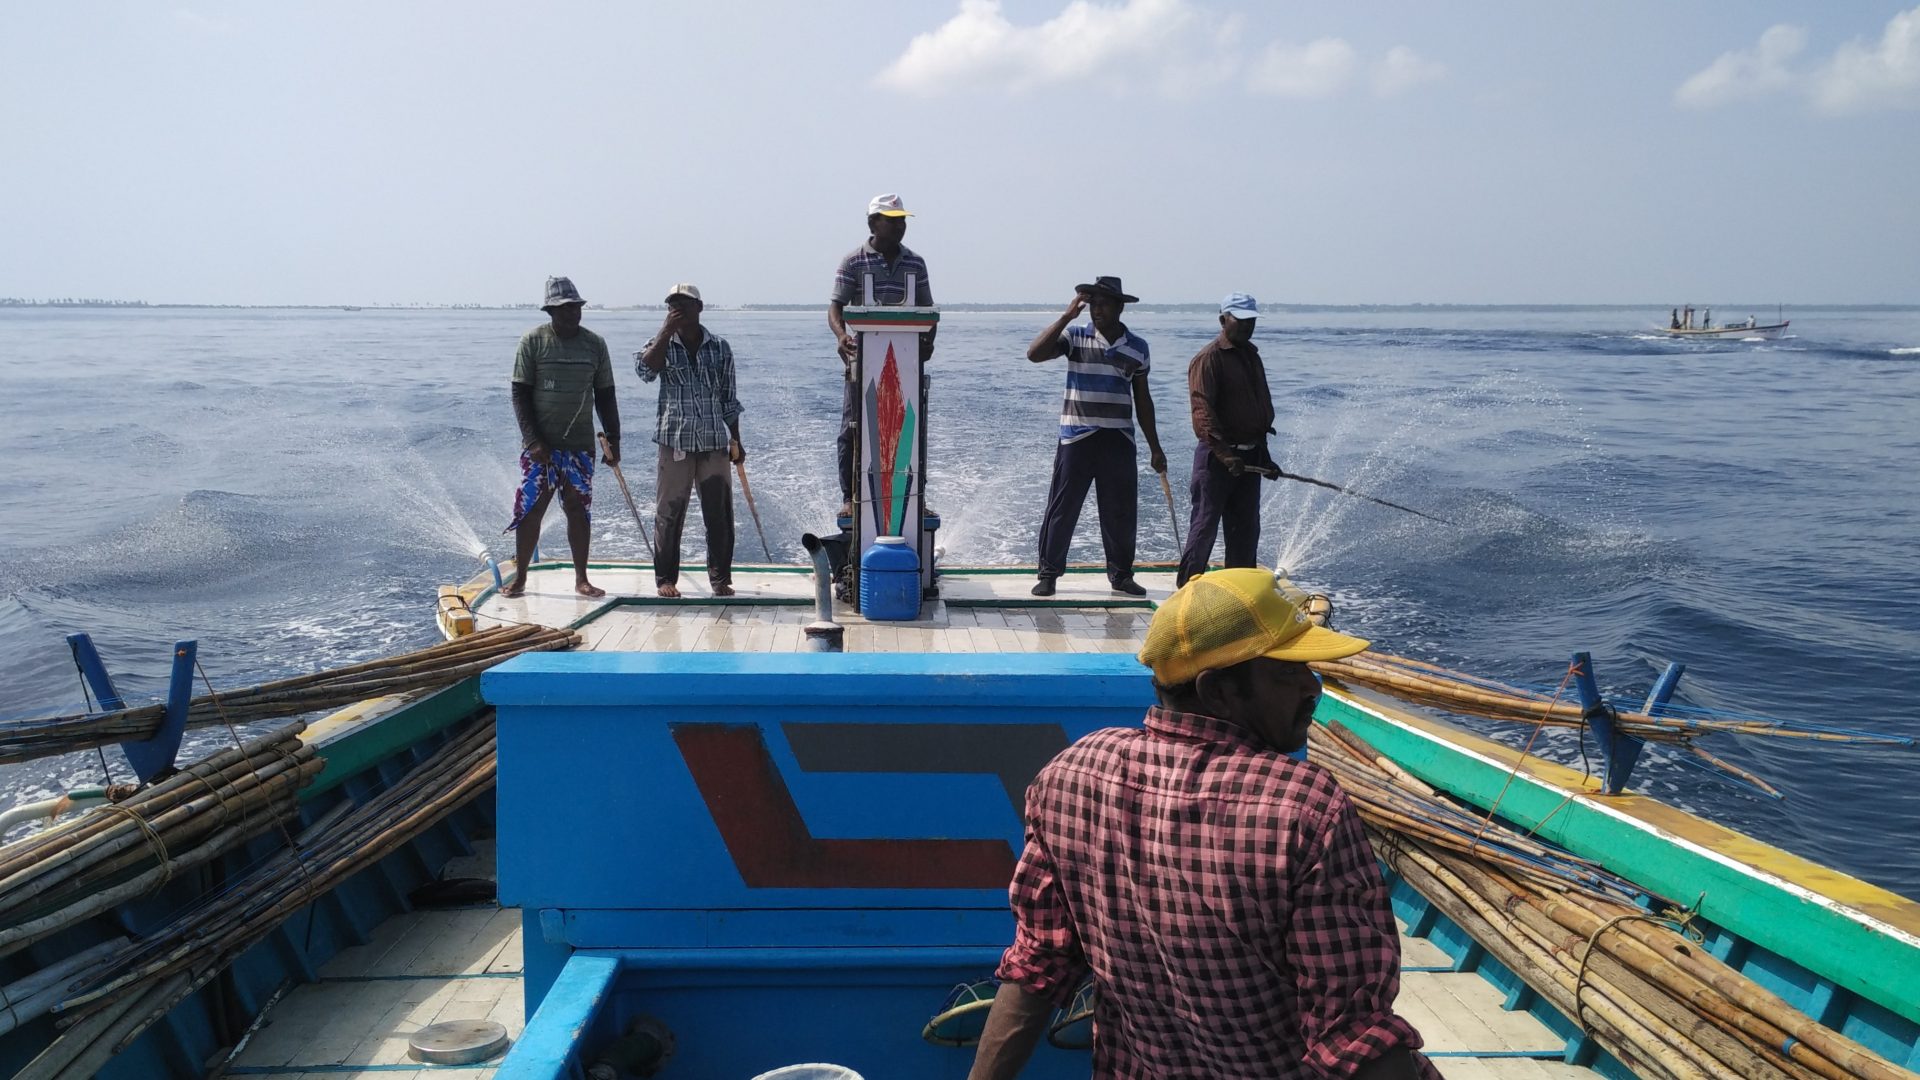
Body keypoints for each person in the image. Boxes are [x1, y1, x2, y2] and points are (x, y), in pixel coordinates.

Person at [968, 568, 1438, 1080]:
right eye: (1287, 672)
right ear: (1217, 691)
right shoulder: (1303, 806)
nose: (1312, 687)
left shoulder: (1072, 773)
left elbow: (1039, 963)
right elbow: (1353, 1034)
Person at [1024, 276, 1167, 597]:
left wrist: (1155, 448)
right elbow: (1034, 354)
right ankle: (1048, 574)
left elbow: (1143, 399)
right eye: (1093, 304)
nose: (1097, 310)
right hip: (1077, 437)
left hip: (1118, 439)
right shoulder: (1075, 336)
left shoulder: (1138, 347)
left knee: (1120, 511)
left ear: (1119, 308)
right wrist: (1066, 316)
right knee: (1063, 508)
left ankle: (1121, 576)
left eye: (1104, 304)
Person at [505, 276, 618, 599]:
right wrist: (532, 441)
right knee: (531, 510)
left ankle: (582, 579)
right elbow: (520, 394)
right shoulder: (533, 341)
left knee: (577, 509)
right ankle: (521, 577)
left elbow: (606, 395)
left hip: (580, 446)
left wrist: (613, 440)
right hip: (540, 447)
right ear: (551, 312)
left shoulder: (595, 344)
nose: (573, 313)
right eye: (566, 308)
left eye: (577, 307)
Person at [827, 193, 936, 516]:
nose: (901, 226)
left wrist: (928, 344)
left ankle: (916, 499)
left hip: (907, 364)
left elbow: (929, 311)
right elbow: (835, 308)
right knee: (852, 429)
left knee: (911, 428)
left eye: (902, 220)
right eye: (893, 220)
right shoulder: (853, 261)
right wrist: (841, 336)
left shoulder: (916, 263)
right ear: (874, 222)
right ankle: (849, 497)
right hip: (862, 362)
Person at [634, 284, 744, 598]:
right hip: (675, 442)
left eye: (684, 304)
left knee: (719, 514)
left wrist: (736, 440)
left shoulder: (720, 347)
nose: (678, 309)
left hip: (713, 442)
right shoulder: (661, 343)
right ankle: (665, 580)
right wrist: (665, 332)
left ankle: (720, 579)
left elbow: (729, 398)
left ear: (700, 307)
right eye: (673, 305)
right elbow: (645, 371)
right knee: (668, 514)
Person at [1176, 293, 1275, 587]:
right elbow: (1202, 413)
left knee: (1246, 530)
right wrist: (1225, 455)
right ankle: (1186, 590)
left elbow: (1258, 412)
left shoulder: (1252, 357)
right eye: (1240, 320)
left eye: (1251, 320)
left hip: (1249, 458)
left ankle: (1239, 593)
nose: (1247, 326)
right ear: (1223, 320)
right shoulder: (1208, 359)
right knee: (1204, 527)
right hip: (1216, 459)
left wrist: (1265, 458)